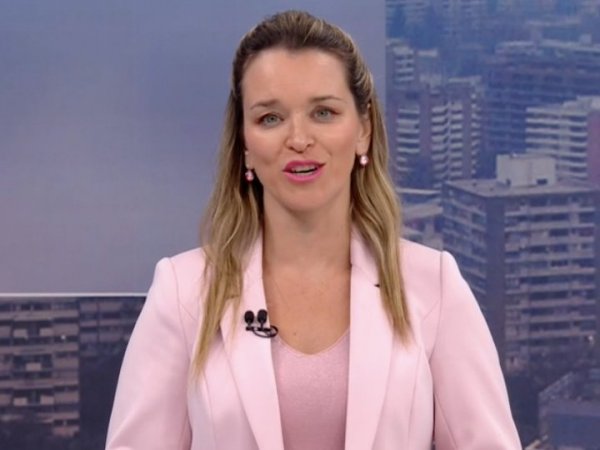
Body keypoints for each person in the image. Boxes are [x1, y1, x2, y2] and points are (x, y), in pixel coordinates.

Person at [106, 10, 521, 450]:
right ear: (244, 145)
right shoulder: (184, 293)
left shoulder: (432, 286)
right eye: (270, 118)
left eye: (323, 112)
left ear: (363, 130)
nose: (299, 139)